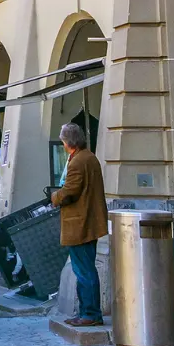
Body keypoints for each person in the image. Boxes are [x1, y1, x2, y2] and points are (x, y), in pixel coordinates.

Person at [51, 121, 108, 327]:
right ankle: (89, 312)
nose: (63, 145)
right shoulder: (89, 157)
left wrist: (55, 197)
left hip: (80, 224)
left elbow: (70, 191)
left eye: (64, 141)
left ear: (69, 142)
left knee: (84, 270)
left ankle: (90, 314)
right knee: (86, 268)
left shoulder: (77, 162)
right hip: (88, 222)